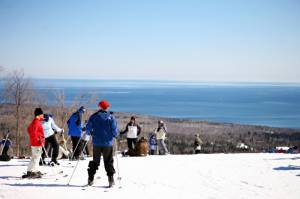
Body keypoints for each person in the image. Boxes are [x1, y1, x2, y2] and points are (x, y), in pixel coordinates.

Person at [86, 100, 119, 187]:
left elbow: (88, 128)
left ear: (99, 107)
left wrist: (89, 133)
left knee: (95, 161)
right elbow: (115, 130)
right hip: (108, 143)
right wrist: (116, 135)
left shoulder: (94, 116)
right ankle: (111, 179)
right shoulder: (111, 117)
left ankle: (90, 178)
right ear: (107, 107)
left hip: (96, 142)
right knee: (108, 161)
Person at [22, 108, 45, 178]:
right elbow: (32, 132)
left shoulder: (36, 121)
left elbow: (29, 129)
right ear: (38, 115)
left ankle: (35, 169)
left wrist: (39, 137)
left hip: (37, 143)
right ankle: (31, 171)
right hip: (36, 143)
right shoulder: (36, 122)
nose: (43, 116)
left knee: (37, 157)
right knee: (36, 157)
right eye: (41, 114)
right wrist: (38, 139)